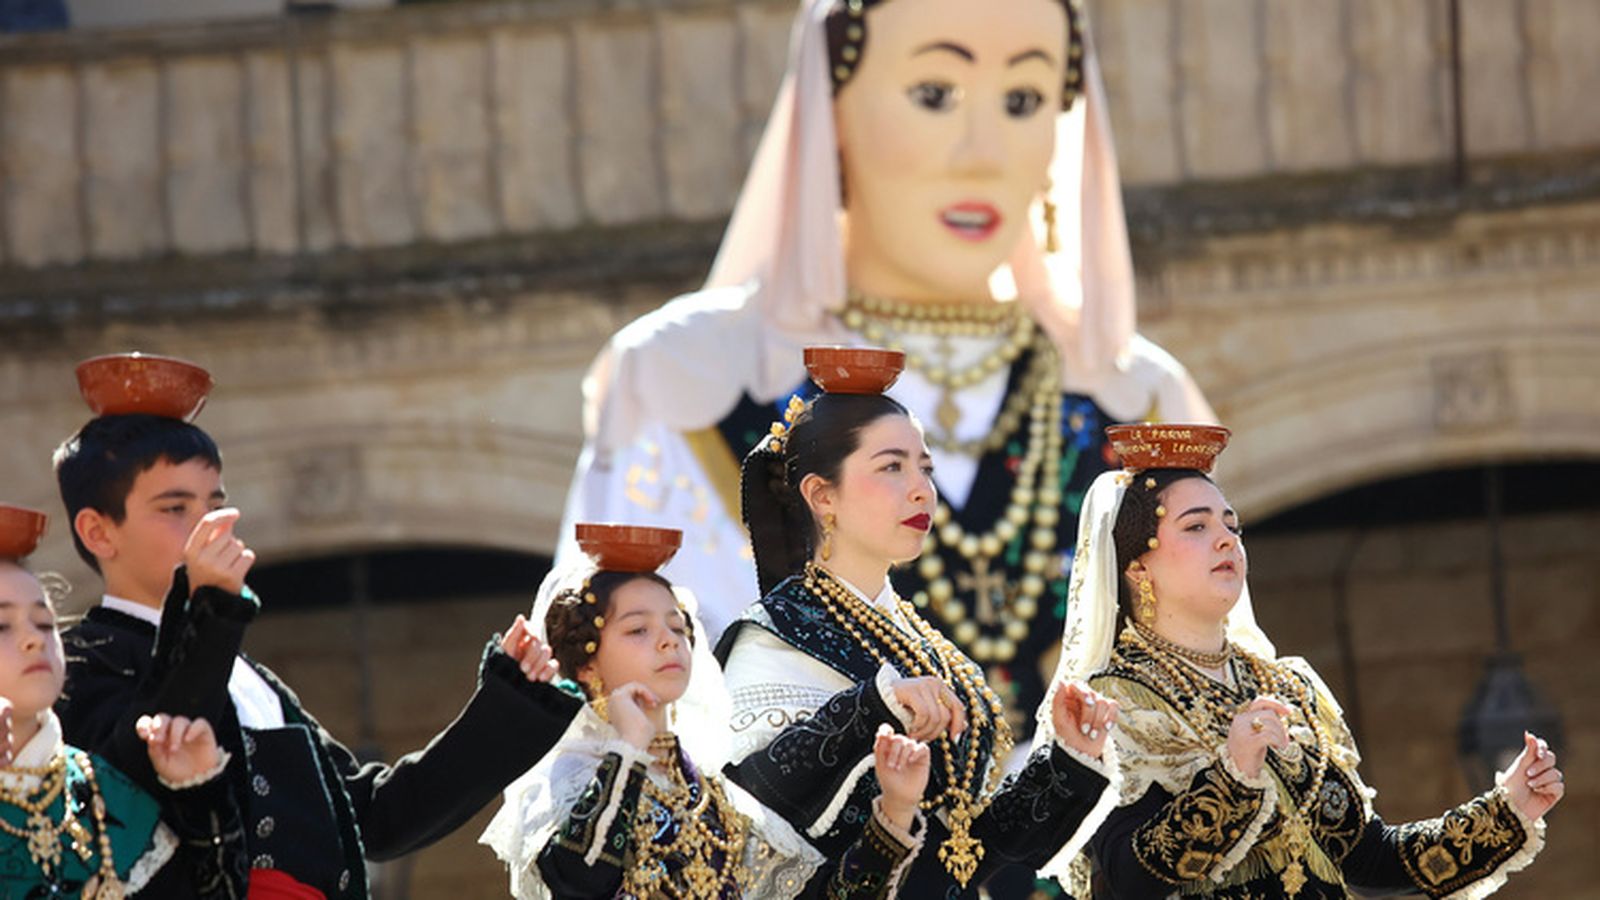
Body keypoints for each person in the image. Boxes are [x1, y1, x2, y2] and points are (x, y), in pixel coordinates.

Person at [557, 0, 1216, 738]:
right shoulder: (691, 382)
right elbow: (625, 708)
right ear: (832, 112)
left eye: (1023, 100)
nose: (984, 152)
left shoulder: (1137, 399)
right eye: (934, 95)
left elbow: (1204, 695)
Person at [52, 353, 584, 898]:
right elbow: (139, 780)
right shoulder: (79, 661)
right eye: (174, 508)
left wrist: (511, 702)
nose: (208, 524)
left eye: (215, 503)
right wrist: (208, 610)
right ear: (98, 532)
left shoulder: (247, 677)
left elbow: (376, 818)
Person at [1039, 422, 1563, 898]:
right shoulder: (1112, 701)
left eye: (1231, 524)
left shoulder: (1288, 687)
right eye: (1195, 527)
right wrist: (1232, 776)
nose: (1225, 538)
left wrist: (1507, 809)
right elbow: (1127, 877)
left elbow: (1370, 857)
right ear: (1136, 568)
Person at [717, 348, 1122, 897]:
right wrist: (871, 709)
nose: (921, 489)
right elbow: (752, 802)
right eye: (892, 467)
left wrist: (1069, 761)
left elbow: (968, 849)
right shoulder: (774, 635)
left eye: (925, 468)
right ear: (821, 495)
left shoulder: (924, 644)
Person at [482, 522, 935, 899]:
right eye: (638, 629)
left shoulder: (711, 795)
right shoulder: (569, 779)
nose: (667, 641)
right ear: (585, 663)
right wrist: (627, 751)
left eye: (676, 626)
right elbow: (579, 881)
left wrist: (894, 811)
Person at [0, 503, 240, 897]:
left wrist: (199, 793)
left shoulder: (103, 794)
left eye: (44, 623)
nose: (34, 639)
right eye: (1, 626)